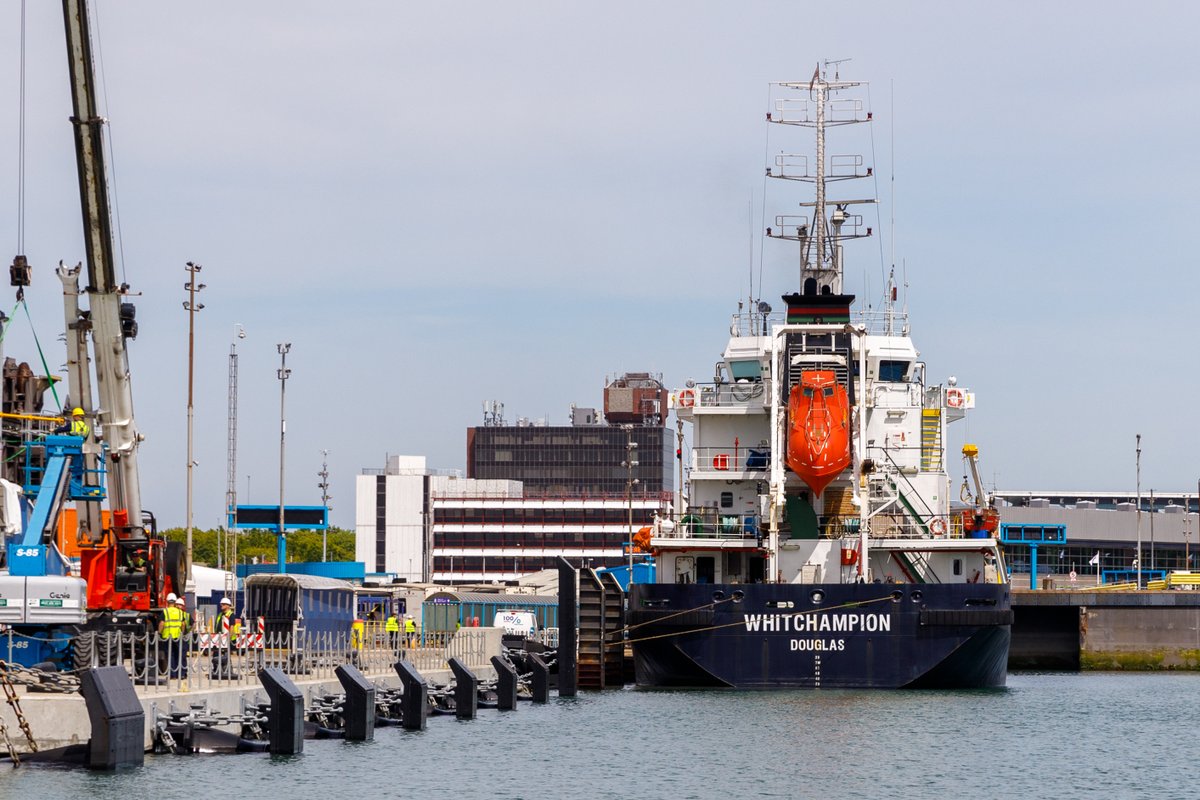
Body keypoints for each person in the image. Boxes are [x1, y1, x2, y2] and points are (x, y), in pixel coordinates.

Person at [158, 592, 188, 678]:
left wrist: (159, 633)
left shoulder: (165, 611)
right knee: (179, 655)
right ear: (175, 602)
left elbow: (162, 623)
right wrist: (181, 633)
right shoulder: (180, 612)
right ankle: (181, 674)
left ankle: (172, 675)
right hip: (178, 636)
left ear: (167, 601)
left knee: (170, 655)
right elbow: (183, 624)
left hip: (167, 636)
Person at [211, 597, 235, 678]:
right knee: (216, 654)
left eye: (223, 604)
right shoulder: (220, 615)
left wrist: (228, 639)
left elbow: (231, 628)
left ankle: (227, 670)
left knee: (225, 655)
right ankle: (217, 669)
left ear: (228, 606)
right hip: (219, 639)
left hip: (227, 639)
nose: (221, 605)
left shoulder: (231, 615)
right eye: (221, 604)